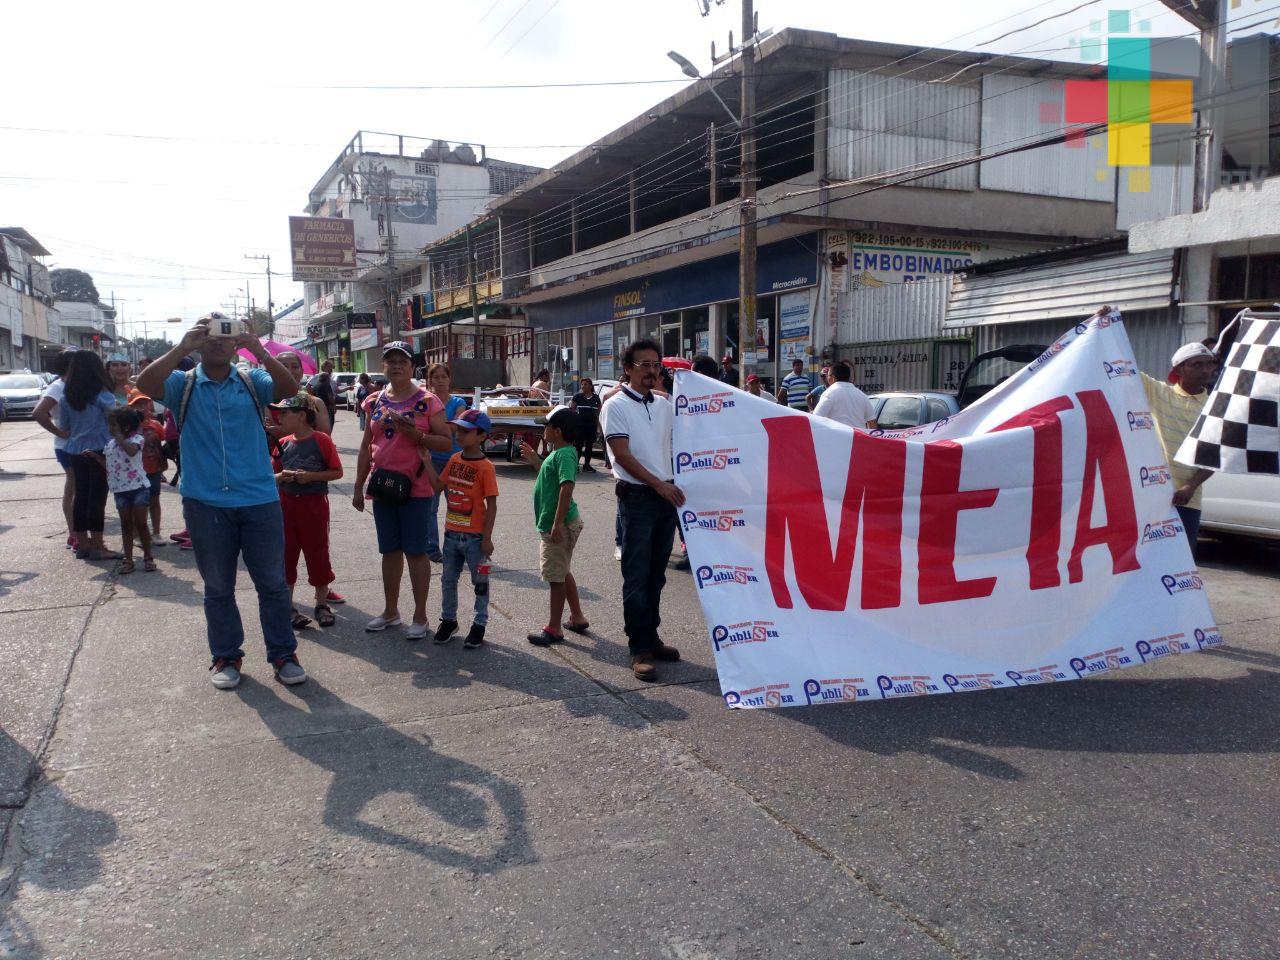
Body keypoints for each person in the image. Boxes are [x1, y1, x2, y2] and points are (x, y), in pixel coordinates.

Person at [136, 313, 306, 690]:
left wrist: (258, 347)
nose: (216, 341)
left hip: (259, 498)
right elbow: (145, 384)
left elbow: (288, 387)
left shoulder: (251, 378)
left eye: (224, 335)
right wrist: (182, 346)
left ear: (234, 343)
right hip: (205, 501)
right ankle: (226, 656)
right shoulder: (183, 383)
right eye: (209, 334)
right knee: (217, 587)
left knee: (273, 585)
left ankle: (283, 653)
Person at [352, 341, 452, 640]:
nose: (396, 365)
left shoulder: (429, 401)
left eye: (402, 361)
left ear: (412, 367)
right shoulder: (374, 400)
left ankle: (420, 615)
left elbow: (446, 442)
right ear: (384, 366)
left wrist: (417, 435)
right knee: (389, 551)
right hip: (383, 487)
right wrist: (358, 487)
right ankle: (391, 611)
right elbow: (365, 446)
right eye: (390, 361)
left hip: (416, 489)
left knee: (416, 552)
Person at [601, 340, 685, 681]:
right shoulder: (615, 405)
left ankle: (651, 636)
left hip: (665, 499)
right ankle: (639, 648)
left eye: (656, 365)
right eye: (644, 364)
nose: (652, 370)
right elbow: (622, 455)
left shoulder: (665, 405)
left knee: (657, 575)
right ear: (628, 368)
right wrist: (659, 485)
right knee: (636, 575)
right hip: (638, 498)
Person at [271, 395, 344, 629]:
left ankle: (321, 604)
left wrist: (311, 476)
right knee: (287, 555)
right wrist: (282, 477)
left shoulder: (321, 440)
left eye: (284, 413)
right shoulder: (281, 443)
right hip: (286, 506)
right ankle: (288, 606)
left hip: (313, 506)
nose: (279, 417)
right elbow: (269, 478)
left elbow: (336, 472)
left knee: (318, 554)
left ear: (301, 416)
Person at [428, 408, 498, 650]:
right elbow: (438, 486)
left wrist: (487, 538)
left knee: (480, 581)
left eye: (465, 431)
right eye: (458, 430)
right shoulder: (454, 460)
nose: (459, 435)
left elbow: (492, 504)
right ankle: (449, 620)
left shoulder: (486, 467)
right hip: (451, 535)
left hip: (475, 538)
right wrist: (427, 461)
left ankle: (479, 623)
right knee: (448, 579)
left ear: (481, 436)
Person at [1140, 338, 1217, 556]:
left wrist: (1190, 486)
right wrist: (1106, 322)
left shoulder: (1214, 406)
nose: (1205, 370)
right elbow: (1122, 367)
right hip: (1153, 495)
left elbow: (1214, 456)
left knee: (1181, 561)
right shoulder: (1159, 392)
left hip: (1188, 500)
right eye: (1197, 365)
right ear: (1179, 369)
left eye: (1209, 364)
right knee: (1148, 560)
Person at [522, 406, 590, 646]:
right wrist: (535, 460)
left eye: (546, 427)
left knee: (555, 577)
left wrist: (557, 523)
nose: (544, 431)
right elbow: (550, 477)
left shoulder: (565, 455)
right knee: (562, 570)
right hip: (558, 522)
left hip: (559, 525)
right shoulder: (559, 454)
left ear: (557, 431)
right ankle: (578, 617)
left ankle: (554, 628)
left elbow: (566, 487)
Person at [58, 351, 121, 562]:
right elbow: (115, 424)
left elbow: (64, 427)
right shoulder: (104, 396)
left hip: (75, 450)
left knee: (81, 497)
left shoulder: (66, 398)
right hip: (99, 451)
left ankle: (82, 544)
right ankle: (98, 545)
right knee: (97, 499)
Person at [32, 350, 78, 550]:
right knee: (74, 488)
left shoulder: (76, 386)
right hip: (67, 447)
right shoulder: (58, 387)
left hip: (81, 445)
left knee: (81, 489)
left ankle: (79, 533)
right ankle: (74, 534)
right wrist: (60, 432)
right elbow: (39, 413)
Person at [425, 363, 469, 563]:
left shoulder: (458, 401)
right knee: (430, 508)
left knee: (457, 507)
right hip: (431, 460)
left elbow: (455, 428)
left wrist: (433, 431)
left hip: (454, 460)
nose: (440, 380)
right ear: (430, 380)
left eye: (444, 376)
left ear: (449, 379)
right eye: (436, 377)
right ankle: (432, 549)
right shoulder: (425, 401)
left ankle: (457, 548)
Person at [104, 406, 155, 574]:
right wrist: (94, 458)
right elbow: (110, 466)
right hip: (120, 490)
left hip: (138, 487)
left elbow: (132, 452)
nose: (110, 429)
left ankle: (148, 556)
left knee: (140, 524)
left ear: (125, 427)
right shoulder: (110, 444)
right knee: (125, 525)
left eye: (113, 425)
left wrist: (121, 440)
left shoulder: (137, 439)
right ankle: (128, 559)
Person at [128, 393, 169, 543]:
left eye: (145, 403)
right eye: (138, 404)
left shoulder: (156, 425)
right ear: (131, 407)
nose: (143, 407)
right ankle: (139, 533)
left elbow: (164, 440)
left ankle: (156, 533)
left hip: (154, 469)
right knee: (138, 504)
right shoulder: (129, 427)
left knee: (154, 501)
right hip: (135, 471)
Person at [271, 351, 331, 435]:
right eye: (283, 366)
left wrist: (280, 431)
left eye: (295, 366)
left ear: (302, 372)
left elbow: (324, 437)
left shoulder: (315, 403)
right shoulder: (266, 403)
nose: (289, 370)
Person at [813, 360, 878, 430]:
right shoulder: (862, 396)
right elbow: (872, 423)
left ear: (833, 377)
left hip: (836, 438)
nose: (826, 378)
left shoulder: (829, 394)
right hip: (858, 438)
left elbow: (816, 419)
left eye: (827, 375)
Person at [570, 377, 602, 472]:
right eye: (582, 384)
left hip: (591, 426)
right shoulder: (577, 396)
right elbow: (572, 410)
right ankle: (575, 465)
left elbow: (599, 413)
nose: (583, 386)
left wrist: (599, 427)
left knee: (589, 446)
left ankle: (586, 465)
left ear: (591, 386)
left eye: (586, 384)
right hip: (580, 426)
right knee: (578, 446)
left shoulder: (596, 398)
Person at [311, 359, 338, 427]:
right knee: (328, 424)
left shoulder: (316, 386)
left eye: (331, 367)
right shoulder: (326, 384)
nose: (331, 369)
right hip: (326, 407)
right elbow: (329, 396)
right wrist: (334, 405)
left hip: (317, 406)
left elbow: (337, 391)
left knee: (319, 424)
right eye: (329, 367)